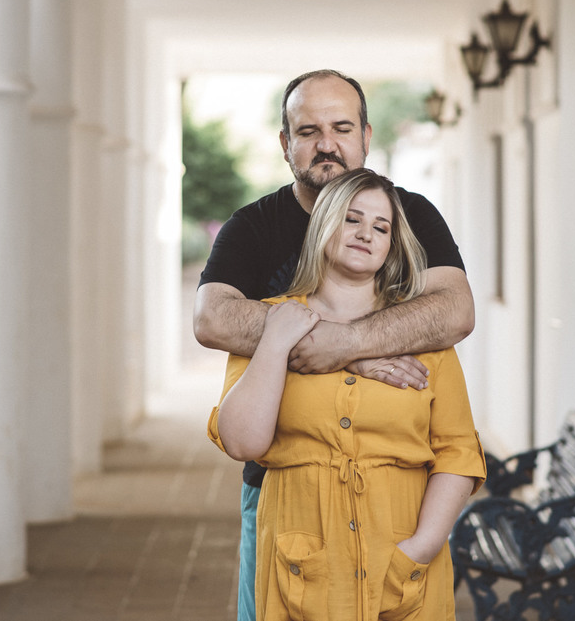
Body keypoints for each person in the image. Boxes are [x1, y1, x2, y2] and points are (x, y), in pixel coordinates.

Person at [193, 69, 475, 621]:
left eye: (342, 127)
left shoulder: (411, 212)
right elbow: (212, 319)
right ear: (286, 143)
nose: (327, 143)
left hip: (396, 509)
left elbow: (455, 311)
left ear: (366, 136)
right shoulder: (253, 226)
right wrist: (351, 351)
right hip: (286, 498)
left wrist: (346, 341)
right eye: (308, 130)